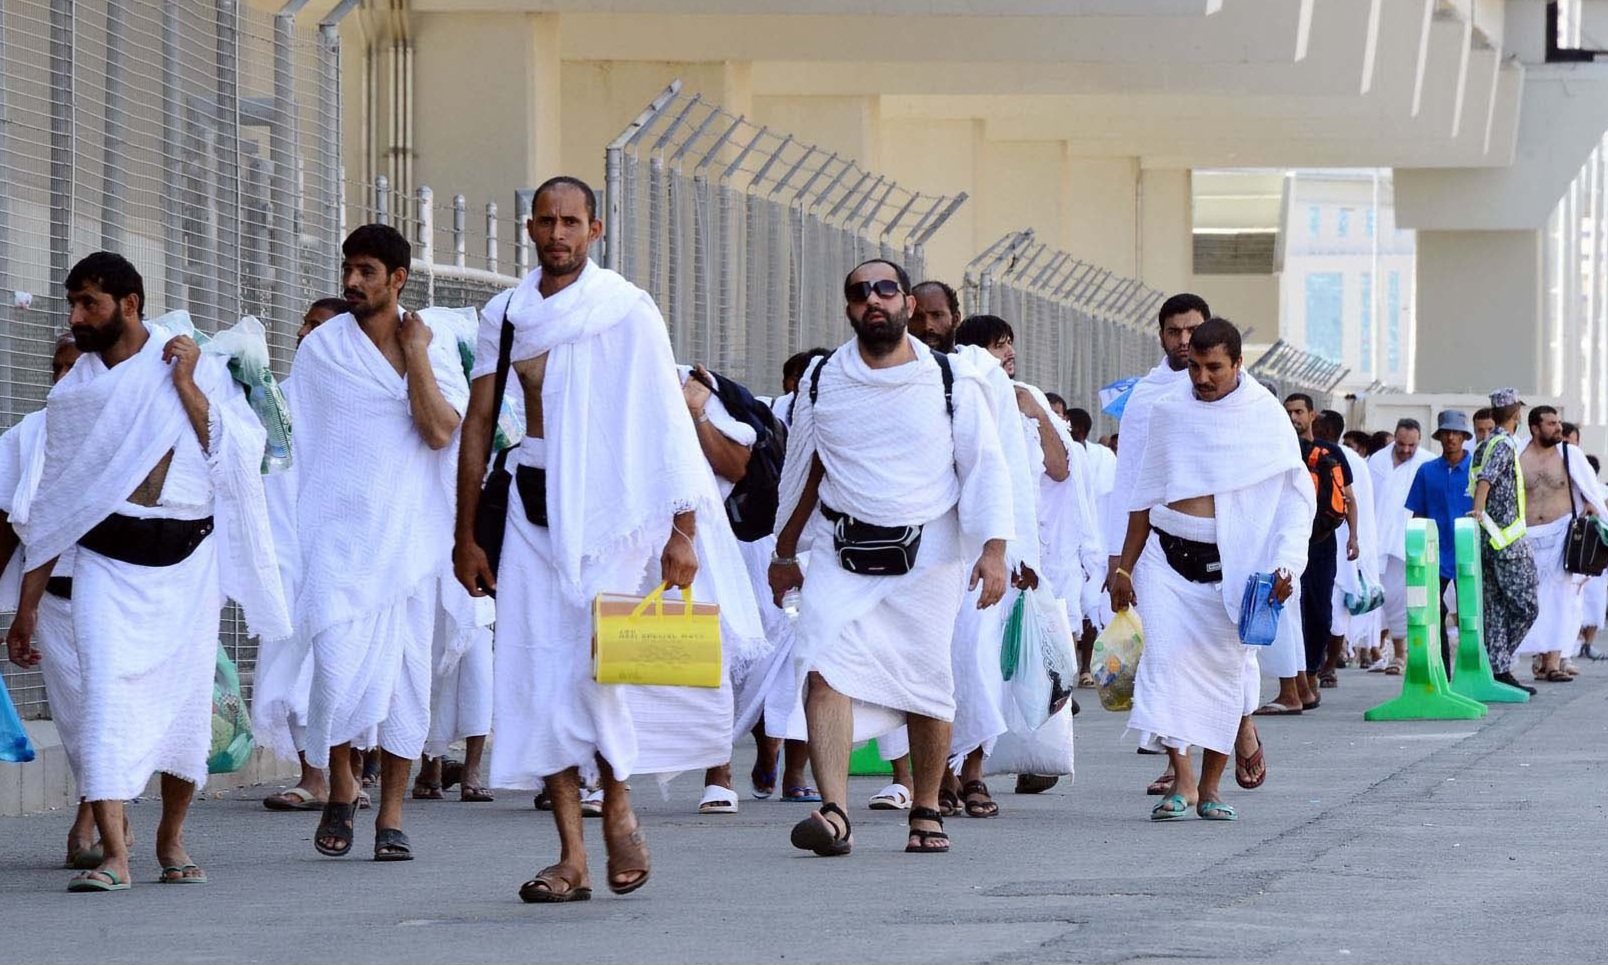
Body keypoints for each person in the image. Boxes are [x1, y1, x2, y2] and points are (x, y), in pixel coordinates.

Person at [454, 176, 759, 901]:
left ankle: (618, 802)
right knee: (539, 678)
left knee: (599, 669)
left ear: (594, 230)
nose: (557, 233)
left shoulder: (626, 309)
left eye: (571, 221)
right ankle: (571, 856)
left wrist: (682, 532)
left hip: (613, 515)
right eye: (546, 221)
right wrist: (464, 535)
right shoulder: (505, 315)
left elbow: (666, 421)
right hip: (530, 509)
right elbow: (479, 423)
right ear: (530, 228)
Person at [7, 252, 291, 891]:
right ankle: (116, 854)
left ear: (129, 304)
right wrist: (27, 607)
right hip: (105, 567)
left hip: (188, 567)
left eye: (90, 303)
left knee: (184, 709)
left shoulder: (194, 364)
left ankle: (170, 838)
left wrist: (186, 384)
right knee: (104, 701)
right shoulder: (73, 395)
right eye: (73, 303)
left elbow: (239, 456)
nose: (77, 317)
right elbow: (55, 507)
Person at [768, 258, 1013, 856]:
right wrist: (784, 550)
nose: (873, 300)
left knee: (927, 683)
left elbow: (984, 467)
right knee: (823, 668)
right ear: (849, 308)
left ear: (907, 302)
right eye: (860, 293)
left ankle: (926, 808)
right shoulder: (824, 378)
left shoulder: (950, 380)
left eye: (885, 290)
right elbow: (805, 469)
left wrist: (994, 550)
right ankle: (835, 812)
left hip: (928, 555)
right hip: (842, 551)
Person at [281, 224, 470, 863]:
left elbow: (440, 432)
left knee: (405, 681)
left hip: (408, 541)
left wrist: (415, 354)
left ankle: (391, 813)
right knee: (334, 669)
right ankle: (340, 783)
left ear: (398, 279)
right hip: (337, 535)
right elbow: (304, 438)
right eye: (348, 269)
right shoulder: (322, 350)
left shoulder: (429, 346)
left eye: (366, 271)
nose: (352, 282)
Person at [1110, 318, 1313, 823]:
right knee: (1164, 666)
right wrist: (1124, 568)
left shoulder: (1265, 415)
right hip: (1165, 560)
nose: (1202, 378)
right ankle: (1181, 781)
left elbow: (1294, 499)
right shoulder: (1169, 409)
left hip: (1235, 567)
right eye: (1195, 367)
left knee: (1226, 676)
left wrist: (1287, 566)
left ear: (1238, 364)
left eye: (1214, 368)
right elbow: (1144, 494)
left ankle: (1211, 786)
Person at [1104, 293, 1261, 796]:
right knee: (1166, 658)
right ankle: (1182, 770)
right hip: (1161, 546)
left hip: (1229, 550)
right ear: (1161, 336)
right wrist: (1119, 560)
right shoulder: (1150, 399)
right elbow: (1133, 479)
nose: (1184, 341)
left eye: (1193, 331)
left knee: (1224, 658)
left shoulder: (1250, 402)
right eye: (1174, 332)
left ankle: (1241, 725)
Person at [258, 295, 372, 814]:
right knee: (293, 662)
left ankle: (345, 774)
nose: (303, 334)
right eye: (303, 324)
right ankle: (317, 777)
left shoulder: (361, 395)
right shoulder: (276, 398)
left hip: (345, 551)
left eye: (318, 326)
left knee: (336, 664)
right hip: (288, 549)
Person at [0, 334, 102, 866]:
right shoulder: (27, 435)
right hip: (56, 599)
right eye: (56, 369)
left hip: (122, 592)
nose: (63, 379)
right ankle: (102, 813)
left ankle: (95, 818)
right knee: (78, 716)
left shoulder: (129, 428)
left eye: (75, 368)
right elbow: (7, 519)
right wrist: (21, 608)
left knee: (108, 708)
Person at [1265, 394, 1356, 709]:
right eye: (1288, 412)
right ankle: (1300, 683)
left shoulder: (1330, 452)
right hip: (1288, 541)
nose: (1293, 417)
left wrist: (1354, 536)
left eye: (1299, 412)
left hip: (1321, 541)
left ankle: (1309, 675)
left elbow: (1348, 497)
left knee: (1318, 610)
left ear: (1312, 415)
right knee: (1291, 609)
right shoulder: (1279, 449)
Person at [1514, 405, 1604, 681]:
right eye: (1551, 423)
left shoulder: (1570, 454)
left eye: (1558, 422)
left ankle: (1553, 662)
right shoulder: (1518, 454)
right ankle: (1539, 658)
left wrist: (1591, 506)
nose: (1558, 428)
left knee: (1559, 601)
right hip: (1526, 536)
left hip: (1561, 535)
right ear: (1535, 428)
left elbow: (1590, 491)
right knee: (1529, 599)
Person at [1469, 389, 1540, 696]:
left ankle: (1497, 671)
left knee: (1496, 610)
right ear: (1516, 415)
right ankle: (1496, 662)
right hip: (1506, 541)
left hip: (1489, 540)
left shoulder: (1483, 445)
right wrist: (1478, 510)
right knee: (1527, 606)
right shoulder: (1503, 444)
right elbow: (1485, 479)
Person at [1404, 411, 1475, 673]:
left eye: (1456, 433)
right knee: (1434, 613)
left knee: (1471, 615)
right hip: (1435, 553)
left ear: (1464, 437)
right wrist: (1416, 552)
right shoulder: (1427, 471)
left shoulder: (1476, 471)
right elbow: (1418, 514)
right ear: (1439, 436)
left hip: (1469, 553)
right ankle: (1441, 670)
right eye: (1446, 433)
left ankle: (1471, 670)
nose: (1451, 438)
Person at [1368, 418, 1433, 676]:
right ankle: (1375, 650)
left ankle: (1400, 655)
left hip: (1407, 543)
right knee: (1378, 601)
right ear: (1394, 438)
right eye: (1401, 444)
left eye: (1411, 445)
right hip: (1376, 542)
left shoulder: (1427, 463)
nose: (1406, 450)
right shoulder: (1376, 461)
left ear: (1419, 441)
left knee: (1404, 601)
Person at [1321, 411, 1382, 673]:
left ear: (1326, 430)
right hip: (1325, 542)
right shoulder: (1319, 453)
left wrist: (1355, 540)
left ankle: (1329, 666)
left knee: (1336, 609)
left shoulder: (1345, 459)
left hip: (1341, 543)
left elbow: (1356, 504)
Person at [1068, 405, 1117, 688]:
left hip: (1097, 542)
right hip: (1063, 544)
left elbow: (1111, 504)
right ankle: (1063, 672)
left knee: (1091, 604)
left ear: (1079, 430)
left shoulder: (1103, 459)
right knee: (1066, 609)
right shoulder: (1056, 454)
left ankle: (1087, 668)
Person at [1582, 453, 1607, 661]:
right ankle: (1574, 643)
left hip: (1598, 554)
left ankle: (1588, 644)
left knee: (1596, 600)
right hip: (1578, 553)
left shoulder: (1602, 492)